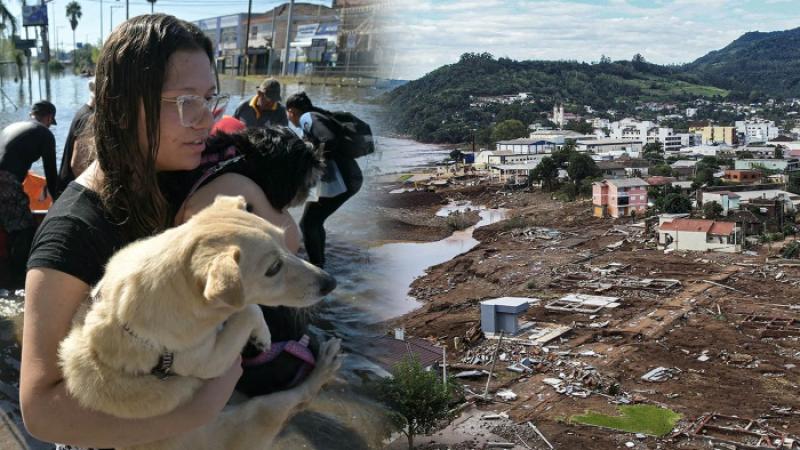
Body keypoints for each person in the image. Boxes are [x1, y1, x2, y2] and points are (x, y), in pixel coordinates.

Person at [20, 15, 254, 449]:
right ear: (124, 107)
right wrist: (198, 407)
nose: (206, 120)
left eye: (209, 98)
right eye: (187, 102)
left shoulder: (177, 182)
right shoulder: (74, 231)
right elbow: (39, 409)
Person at [286, 91, 364, 268]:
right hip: (351, 178)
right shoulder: (319, 114)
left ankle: (316, 267)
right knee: (314, 220)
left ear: (291, 111)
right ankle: (320, 263)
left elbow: (328, 139)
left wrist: (312, 161)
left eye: (288, 114)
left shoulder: (307, 117)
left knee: (308, 223)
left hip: (342, 181)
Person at [0, 100, 59, 285]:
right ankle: (20, 279)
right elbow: (51, 176)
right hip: (5, 181)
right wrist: (58, 205)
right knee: (24, 227)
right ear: (49, 117)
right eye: (51, 121)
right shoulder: (44, 133)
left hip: (5, 179)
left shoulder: (13, 127)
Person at [57, 78, 95, 195]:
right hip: (73, 192)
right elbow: (77, 165)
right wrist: (91, 194)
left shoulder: (82, 112)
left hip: (66, 185)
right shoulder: (90, 118)